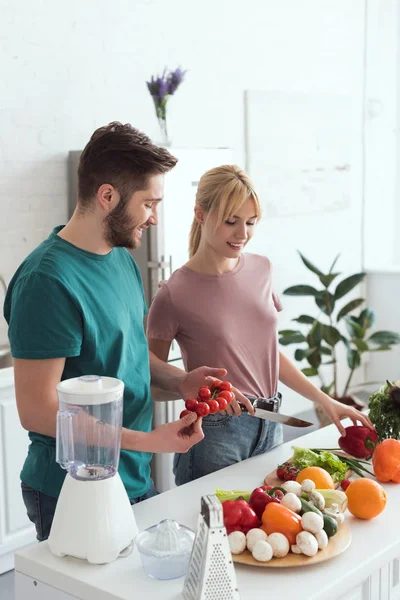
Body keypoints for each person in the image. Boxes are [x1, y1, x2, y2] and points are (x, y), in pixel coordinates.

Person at [3, 122, 232, 542]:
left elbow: (127, 355)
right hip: (72, 489)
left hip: (131, 478)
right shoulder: (47, 282)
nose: (155, 218)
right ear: (107, 196)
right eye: (149, 203)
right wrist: (148, 441)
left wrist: (181, 382)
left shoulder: (119, 259)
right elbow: (37, 409)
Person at [147, 165, 374, 485]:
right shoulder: (174, 292)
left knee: (263, 525)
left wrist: (324, 399)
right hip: (214, 433)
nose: (242, 234)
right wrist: (203, 390)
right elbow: (149, 378)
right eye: (231, 221)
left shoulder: (261, 269)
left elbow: (268, 354)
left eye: (251, 222)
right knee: (211, 531)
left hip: (271, 424)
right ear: (200, 214)